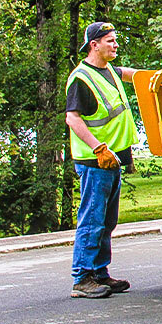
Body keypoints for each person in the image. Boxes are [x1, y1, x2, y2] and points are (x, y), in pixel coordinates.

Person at [65, 22, 139, 299]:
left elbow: (130, 74)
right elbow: (72, 118)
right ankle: (82, 278)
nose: (115, 45)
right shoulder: (81, 78)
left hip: (112, 160)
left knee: (107, 221)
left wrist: (161, 75)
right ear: (94, 45)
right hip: (95, 161)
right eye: (110, 41)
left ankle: (100, 273)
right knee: (92, 219)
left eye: (115, 40)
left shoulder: (108, 72)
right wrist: (98, 148)